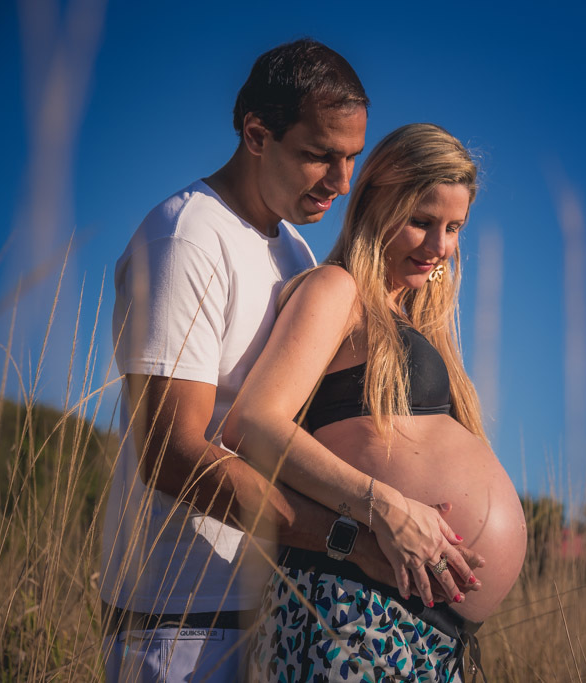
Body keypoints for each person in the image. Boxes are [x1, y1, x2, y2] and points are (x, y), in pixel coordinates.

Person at [102, 42, 478, 683]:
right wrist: (358, 538)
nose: (341, 180)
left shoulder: (296, 253)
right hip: (183, 616)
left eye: (352, 157)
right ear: (256, 133)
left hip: (268, 603)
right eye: (319, 155)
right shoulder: (187, 237)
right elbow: (172, 454)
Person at [223, 123, 527, 681]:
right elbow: (252, 424)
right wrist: (385, 506)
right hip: (350, 610)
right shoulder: (337, 290)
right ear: (377, 201)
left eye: (454, 228)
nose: (439, 246)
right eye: (421, 221)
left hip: (420, 632)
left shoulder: (410, 318)